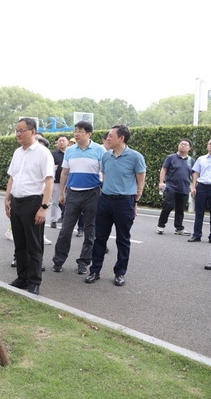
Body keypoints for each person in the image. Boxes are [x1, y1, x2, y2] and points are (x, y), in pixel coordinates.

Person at [85, 125, 146, 287]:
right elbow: (105, 177)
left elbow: (141, 181)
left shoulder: (135, 157)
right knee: (99, 238)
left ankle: (120, 273)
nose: (107, 139)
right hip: (105, 200)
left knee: (123, 239)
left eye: (111, 136)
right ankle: (95, 270)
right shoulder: (106, 156)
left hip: (125, 202)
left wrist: (135, 202)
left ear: (121, 138)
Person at [5, 118, 54, 295]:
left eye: (22, 130)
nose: (18, 133)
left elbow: (49, 181)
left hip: (33, 202)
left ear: (33, 132)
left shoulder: (43, 153)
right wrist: (7, 198)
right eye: (16, 130)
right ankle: (22, 278)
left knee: (34, 244)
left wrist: (44, 207)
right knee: (20, 243)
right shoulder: (18, 152)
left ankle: (34, 281)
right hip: (17, 201)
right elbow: (12, 177)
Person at [51, 121, 105, 275]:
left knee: (90, 231)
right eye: (75, 130)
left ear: (89, 134)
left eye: (80, 131)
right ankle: (58, 260)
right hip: (73, 193)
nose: (76, 133)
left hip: (92, 193)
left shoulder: (99, 150)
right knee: (65, 230)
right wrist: (62, 193)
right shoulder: (70, 151)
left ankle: (84, 262)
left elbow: (105, 173)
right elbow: (65, 173)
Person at [157, 139, 194, 235]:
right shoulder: (171, 157)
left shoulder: (191, 160)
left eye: (185, 145)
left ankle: (179, 228)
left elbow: (194, 174)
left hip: (184, 187)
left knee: (180, 209)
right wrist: (161, 182)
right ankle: (161, 225)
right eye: (181, 144)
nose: (183, 146)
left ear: (189, 148)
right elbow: (164, 169)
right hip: (171, 186)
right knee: (169, 206)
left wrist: (194, 186)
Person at [188, 138, 211, 243]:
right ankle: (197, 234)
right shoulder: (201, 159)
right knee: (199, 212)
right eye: (210, 143)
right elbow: (196, 173)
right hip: (201, 186)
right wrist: (193, 186)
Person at [50, 135, 69, 227]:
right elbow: (49, 167)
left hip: (70, 181)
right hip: (57, 181)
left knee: (69, 202)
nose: (61, 142)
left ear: (68, 142)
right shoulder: (53, 154)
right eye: (59, 141)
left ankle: (66, 219)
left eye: (63, 140)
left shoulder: (70, 153)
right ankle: (53, 220)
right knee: (55, 201)